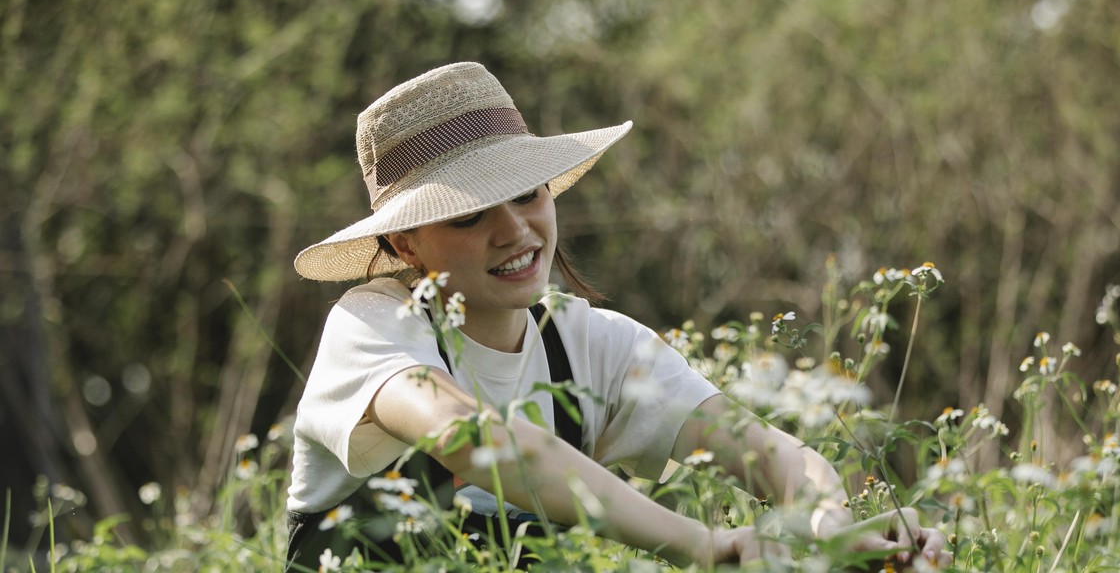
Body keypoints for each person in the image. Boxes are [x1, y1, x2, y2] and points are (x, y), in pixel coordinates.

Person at [285, 62, 950, 569]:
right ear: (404, 243)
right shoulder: (374, 322)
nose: (515, 230)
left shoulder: (589, 346)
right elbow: (473, 440)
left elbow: (768, 454)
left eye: (528, 196)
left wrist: (829, 524)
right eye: (469, 215)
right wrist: (706, 546)